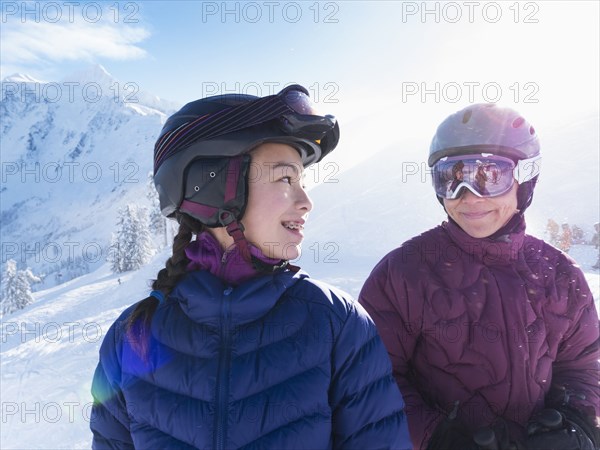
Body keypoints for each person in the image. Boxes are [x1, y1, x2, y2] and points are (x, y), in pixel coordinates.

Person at [89, 85, 412, 449]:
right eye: (285, 179)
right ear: (212, 188)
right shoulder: (132, 337)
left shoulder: (338, 324)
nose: (306, 202)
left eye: (301, 182)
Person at [359, 103, 599, 450]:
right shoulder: (403, 273)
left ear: (525, 179)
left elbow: (583, 368)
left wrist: (576, 424)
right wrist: (435, 437)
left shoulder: (562, 275)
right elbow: (371, 380)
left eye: (489, 175)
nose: (468, 196)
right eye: (451, 178)